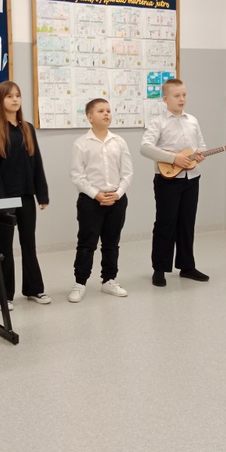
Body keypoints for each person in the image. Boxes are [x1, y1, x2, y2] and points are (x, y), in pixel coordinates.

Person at [0, 81, 51, 310]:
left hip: (26, 196)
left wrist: (42, 194)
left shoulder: (27, 128)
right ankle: (4, 295)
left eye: (17, 95)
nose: (15, 99)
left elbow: (37, 162)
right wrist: (1, 201)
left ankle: (33, 289)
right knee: (4, 246)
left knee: (29, 243)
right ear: (0, 100)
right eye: (9, 96)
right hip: (5, 198)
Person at [140, 78, 209, 287]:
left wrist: (201, 154)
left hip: (192, 178)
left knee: (187, 223)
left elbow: (201, 145)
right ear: (165, 99)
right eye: (177, 95)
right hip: (167, 180)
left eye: (184, 95)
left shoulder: (193, 120)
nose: (182, 99)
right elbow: (145, 147)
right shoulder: (158, 122)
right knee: (165, 223)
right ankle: (159, 269)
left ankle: (187, 266)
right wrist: (173, 158)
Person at [67, 98, 133, 303]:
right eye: (101, 111)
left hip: (116, 199)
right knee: (87, 243)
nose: (106, 114)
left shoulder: (119, 142)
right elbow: (77, 175)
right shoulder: (81, 144)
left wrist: (118, 193)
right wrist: (96, 194)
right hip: (90, 201)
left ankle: (109, 280)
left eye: (108, 110)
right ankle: (80, 282)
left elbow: (127, 173)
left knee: (112, 243)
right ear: (90, 117)